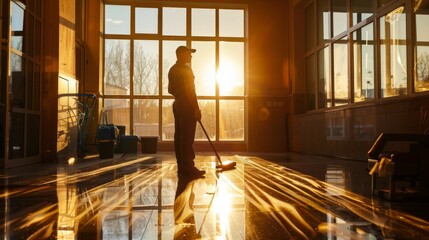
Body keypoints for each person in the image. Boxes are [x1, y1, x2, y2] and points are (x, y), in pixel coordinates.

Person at [168, 46, 206, 178]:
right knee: (187, 137)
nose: (191, 56)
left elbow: (170, 90)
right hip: (186, 106)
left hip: (177, 104)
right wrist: (196, 108)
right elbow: (191, 91)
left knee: (179, 137)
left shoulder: (172, 70)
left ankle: (182, 167)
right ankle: (189, 168)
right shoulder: (186, 70)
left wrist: (179, 96)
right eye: (189, 53)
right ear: (182, 54)